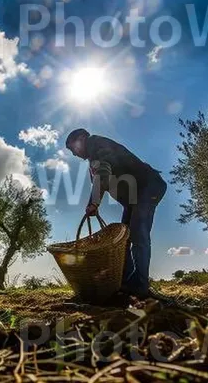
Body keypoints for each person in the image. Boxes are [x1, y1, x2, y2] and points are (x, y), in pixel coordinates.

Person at [65, 128, 167, 298]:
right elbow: (100, 179)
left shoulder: (97, 144)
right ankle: (125, 282)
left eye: (72, 148)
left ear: (82, 138)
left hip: (149, 187)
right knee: (122, 239)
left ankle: (140, 284)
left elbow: (103, 173)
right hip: (132, 199)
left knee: (138, 233)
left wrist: (94, 203)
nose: (73, 154)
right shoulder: (92, 157)